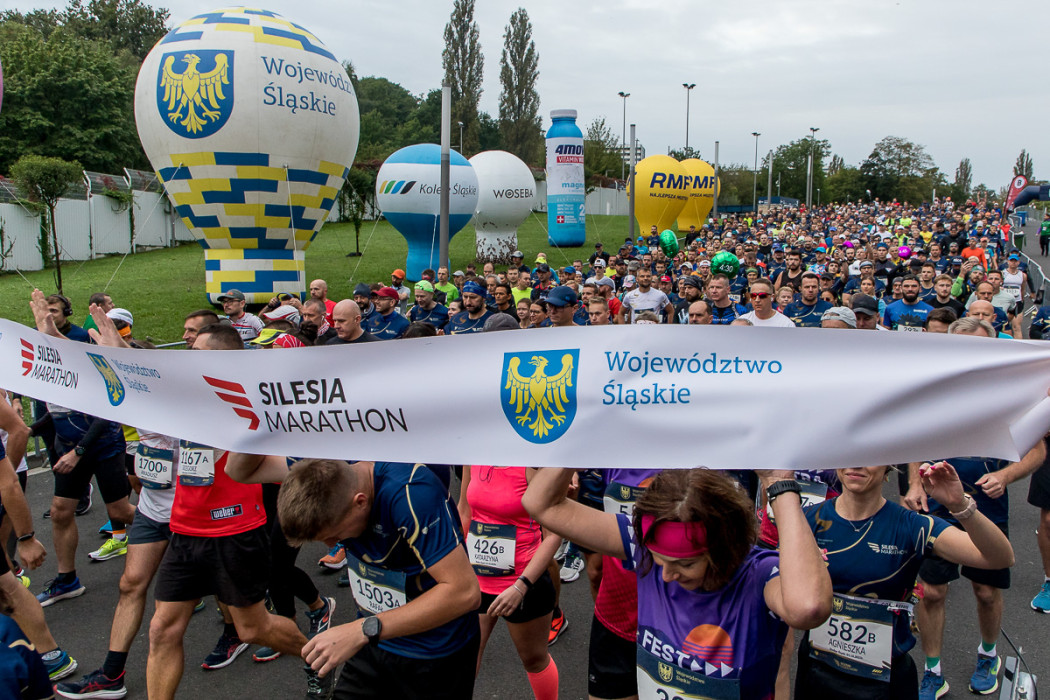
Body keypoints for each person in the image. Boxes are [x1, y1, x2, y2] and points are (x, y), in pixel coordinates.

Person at [522, 468, 831, 700]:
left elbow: (809, 609)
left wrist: (780, 485)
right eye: (660, 560)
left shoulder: (757, 574)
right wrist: (575, 442)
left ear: (724, 548)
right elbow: (541, 504)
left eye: (686, 564)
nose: (666, 576)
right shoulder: (641, 546)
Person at [144, 324, 327, 699]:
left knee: (253, 628)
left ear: (224, 359)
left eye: (197, 352)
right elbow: (132, 375)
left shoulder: (242, 400)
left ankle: (320, 659)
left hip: (233, 531)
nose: (188, 357)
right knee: (162, 628)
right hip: (185, 529)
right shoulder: (186, 393)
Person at [226, 457, 482, 699]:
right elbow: (239, 470)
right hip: (373, 642)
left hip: (433, 653)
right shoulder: (324, 467)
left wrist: (362, 630)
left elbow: (464, 592)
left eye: (335, 534)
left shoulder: (410, 493)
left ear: (360, 501)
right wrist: (254, 423)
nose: (331, 544)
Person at [796, 462, 1014, 700]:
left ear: (888, 466)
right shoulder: (809, 519)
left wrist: (960, 505)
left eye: (869, 456)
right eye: (850, 454)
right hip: (817, 670)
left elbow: (1000, 558)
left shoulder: (911, 525)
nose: (856, 464)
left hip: (884, 681)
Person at [904, 442, 1046, 699]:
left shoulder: (1003, 412)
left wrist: (1005, 476)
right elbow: (919, 438)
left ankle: (988, 655)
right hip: (937, 507)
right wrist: (914, 484)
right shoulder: (934, 411)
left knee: (986, 592)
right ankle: (933, 671)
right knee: (931, 592)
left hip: (986, 509)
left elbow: (1038, 450)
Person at [28, 291, 137, 609]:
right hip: (68, 447)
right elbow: (56, 412)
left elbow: (107, 412)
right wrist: (28, 431)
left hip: (102, 445)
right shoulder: (50, 370)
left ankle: (180, 535)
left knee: (120, 513)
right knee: (60, 512)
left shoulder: (87, 361)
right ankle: (67, 580)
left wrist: (79, 451)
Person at [458, 465, 560, 700]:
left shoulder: (531, 464)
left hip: (523, 582)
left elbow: (553, 534)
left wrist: (521, 586)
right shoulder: (472, 456)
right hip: (477, 580)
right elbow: (464, 511)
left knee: (534, 659)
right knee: (465, 655)